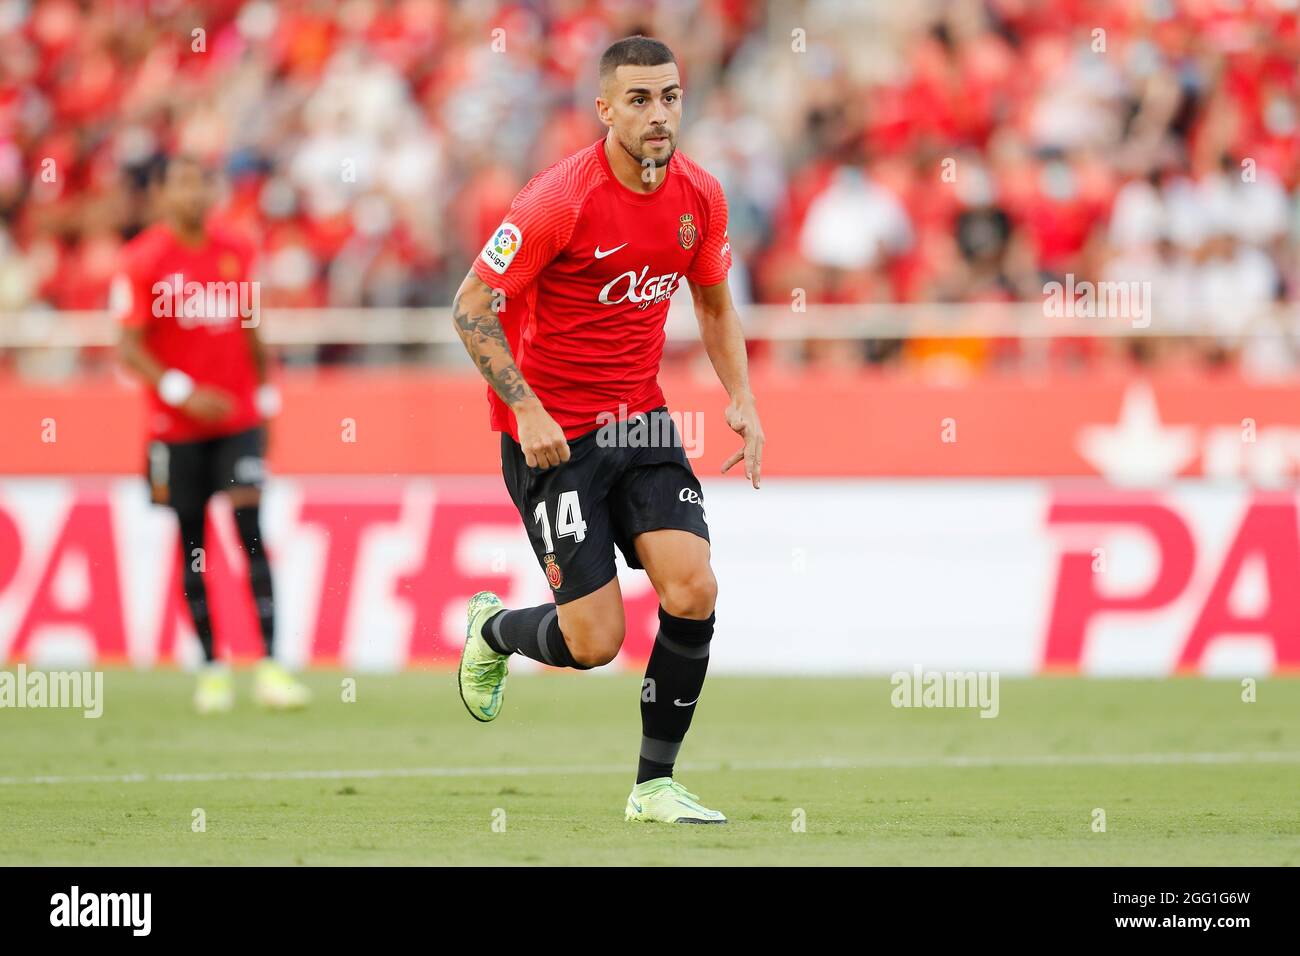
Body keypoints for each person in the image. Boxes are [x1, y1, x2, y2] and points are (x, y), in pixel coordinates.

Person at [451, 37, 764, 824]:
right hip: (552, 435)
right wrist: (526, 409)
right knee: (594, 643)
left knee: (693, 588)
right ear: (605, 109)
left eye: (669, 97)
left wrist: (742, 397)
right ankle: (495, 630)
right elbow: (469, 308)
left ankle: (654, 785)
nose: (658, 115)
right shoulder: (559, 199)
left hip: (640, 421)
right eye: (639, 100)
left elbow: (716, 304)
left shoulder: (701, 196)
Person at [115, 154, 311, 714]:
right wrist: (180, 391)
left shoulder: (237, 250)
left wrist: (267, 399)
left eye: (202, 182)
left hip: (237, 419)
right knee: (191, 540)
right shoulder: (143, 260)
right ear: (162, 194)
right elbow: (127, 346)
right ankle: (211, 667)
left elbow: (251, 328)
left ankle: (271, 665)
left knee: (250, 527)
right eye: (182, 183)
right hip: (174, 426)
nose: (194, 194)